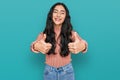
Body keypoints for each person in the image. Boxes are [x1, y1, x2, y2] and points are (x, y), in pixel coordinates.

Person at [30, 2, 88, 80]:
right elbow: (33, 45)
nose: (58, 15)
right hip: (49, 72)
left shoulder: (72, 34)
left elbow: (83, 43)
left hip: (67, 72)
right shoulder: (43, 35)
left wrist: (82, 46)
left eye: (62, 13)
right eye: (55, 12)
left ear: (65, 17)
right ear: (51, 15)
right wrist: (36, 46)